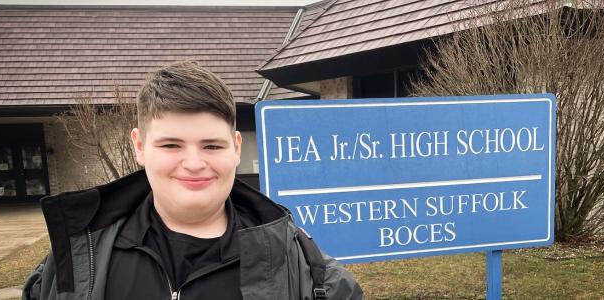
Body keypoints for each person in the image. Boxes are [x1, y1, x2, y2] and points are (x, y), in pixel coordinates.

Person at [22, 61, 363, 300]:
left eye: (211, 145)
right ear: (139, 146)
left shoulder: (306, 268)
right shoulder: (78, 259)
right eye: (171, 145)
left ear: (235, 147)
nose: (194, 164)